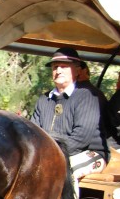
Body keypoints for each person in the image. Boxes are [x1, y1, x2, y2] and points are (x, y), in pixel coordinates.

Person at [32, 47, 108, 180]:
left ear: (77, 70)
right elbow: (32, 133)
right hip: (49, 154)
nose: (58, 71)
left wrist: (50, 153)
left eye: (64, 66)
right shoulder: (44, 99)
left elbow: (81, 139)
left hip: (90, 153)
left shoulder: (87, 96)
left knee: (61, 173)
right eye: (55, 67)